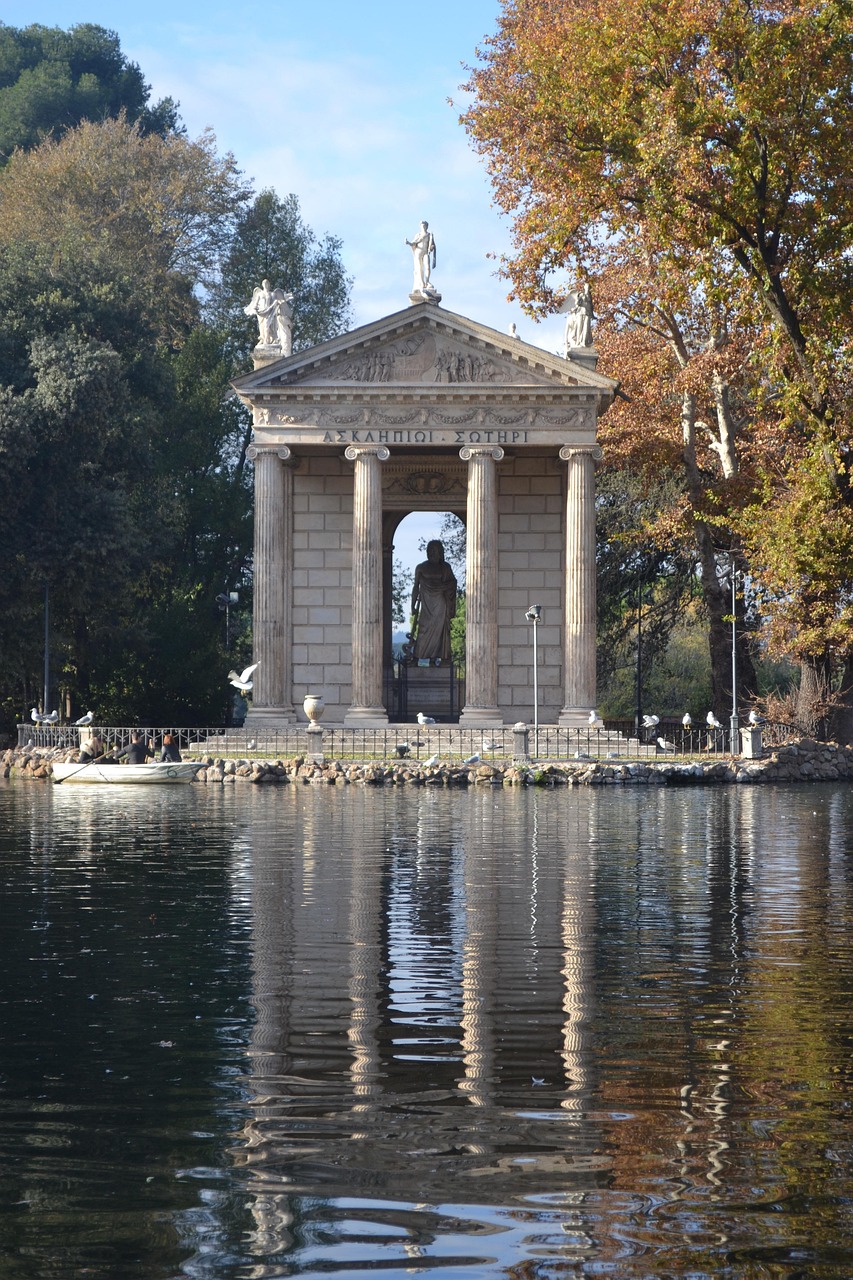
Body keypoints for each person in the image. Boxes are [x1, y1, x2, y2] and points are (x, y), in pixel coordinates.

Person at [411, 540, 457, 664]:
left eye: (434, 550)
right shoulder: (421, 567)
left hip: (440, 604)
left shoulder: (445, 567)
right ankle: (415, 658)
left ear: (439, 552)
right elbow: (416, 587)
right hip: (426, 605)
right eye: (429, 550)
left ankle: (433, 659)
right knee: (423, 630)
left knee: (438, 633)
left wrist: (444, 587)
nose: (431, 553)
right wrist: (413, 605)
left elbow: (452, 583)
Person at [244, 280, 294, 351]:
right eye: (265, 283)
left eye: (267, 283)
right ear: (262, 285)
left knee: (269, 326)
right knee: (263, 326)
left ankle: (269, 340)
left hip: (271, 312)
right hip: (262, 313)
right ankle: (264, 339)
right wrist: (255, 308)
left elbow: (277, 302)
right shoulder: (260, 294)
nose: (266, 285)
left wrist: (279, 302)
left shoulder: (272, 294)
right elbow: (255, 304)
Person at [406, 221, 436, 294]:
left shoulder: (429, 235)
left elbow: (432, 245)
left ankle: (427, 282)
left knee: (427, 267)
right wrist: (408, 243)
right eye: (422, 226)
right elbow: (414, 243)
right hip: (418, 252)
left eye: (424, 226)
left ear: (427, 227)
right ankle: (421, 283)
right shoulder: (418, 235)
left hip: (425, 252)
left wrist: (431, 247)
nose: (423, 227)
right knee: (419, 268)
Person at [564, 283, 594, 350]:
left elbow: (590, 305)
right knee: (580, 327)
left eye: (588, 287)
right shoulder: (581, 294)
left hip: (587, 314)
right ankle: (578, 342)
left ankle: (584, 342)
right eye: (586, 287)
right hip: (580, 313)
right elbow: (577, 303)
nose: (587, 288)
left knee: (586, 327)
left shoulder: (589, 296)